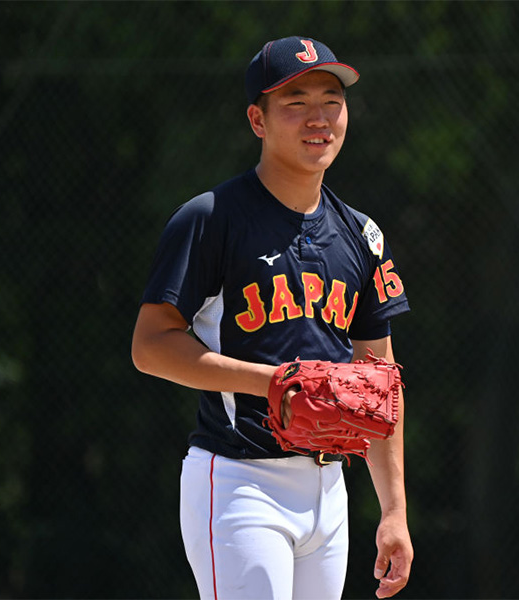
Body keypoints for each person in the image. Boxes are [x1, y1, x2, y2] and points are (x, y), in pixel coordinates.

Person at [131, 36, 413, 600]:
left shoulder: (361, 235)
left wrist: (394, 512)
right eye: (296, 102)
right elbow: (151, 345)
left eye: (332, 100)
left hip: (331, 490)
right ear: (257, 120)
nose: (319, 118)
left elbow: (380, 385)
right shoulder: (212, 219)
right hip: (240, 480)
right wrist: (272, 383)